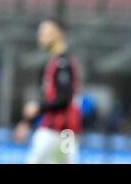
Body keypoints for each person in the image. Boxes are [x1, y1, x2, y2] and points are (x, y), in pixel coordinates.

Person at [14, 19, 82, 163]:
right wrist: (27, 121)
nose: (40, 36)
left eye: (44, 33)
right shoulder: (56, 62)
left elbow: (64, 97)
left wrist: (37, 108)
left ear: (58, 35)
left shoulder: (62, 63)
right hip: (66, 133)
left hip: (57, 132)